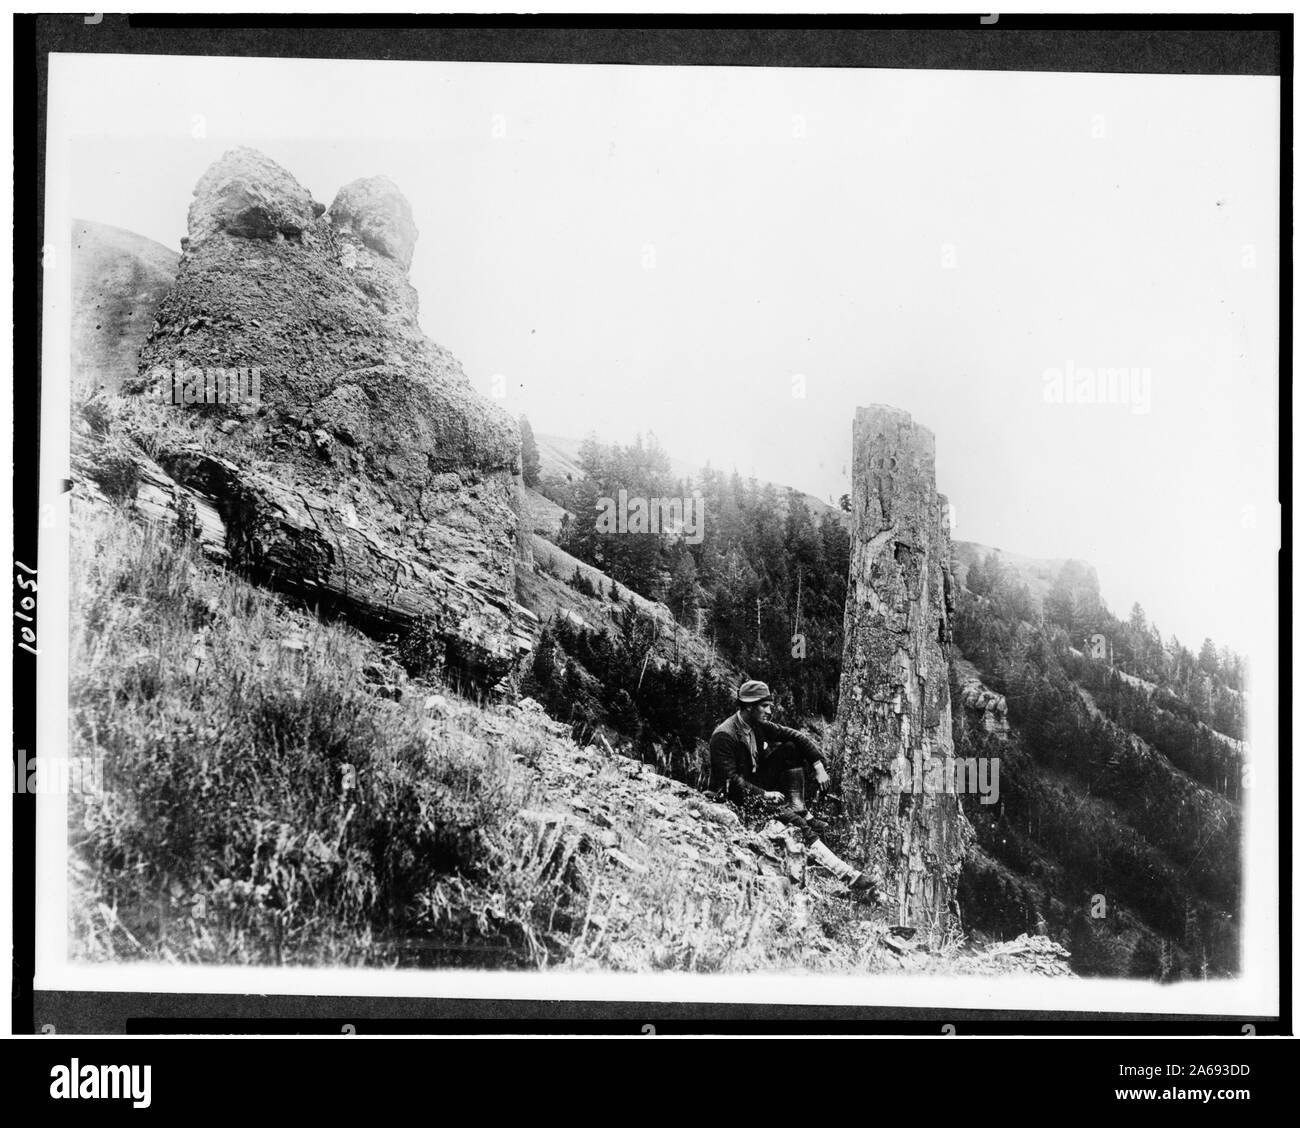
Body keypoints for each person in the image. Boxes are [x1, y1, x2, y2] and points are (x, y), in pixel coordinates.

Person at [709, 680, 875, 892]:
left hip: (754, 786)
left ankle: (799, 807)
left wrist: (818, 765)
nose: (770, 711)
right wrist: (765, 795)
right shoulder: (724, 735)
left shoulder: (756, 725)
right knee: (797, 823)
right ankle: (848, 875)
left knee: (790, 748)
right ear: (748, 706)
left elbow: (796, 736)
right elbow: (732, 781)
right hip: (734, 796)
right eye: (764, 706)